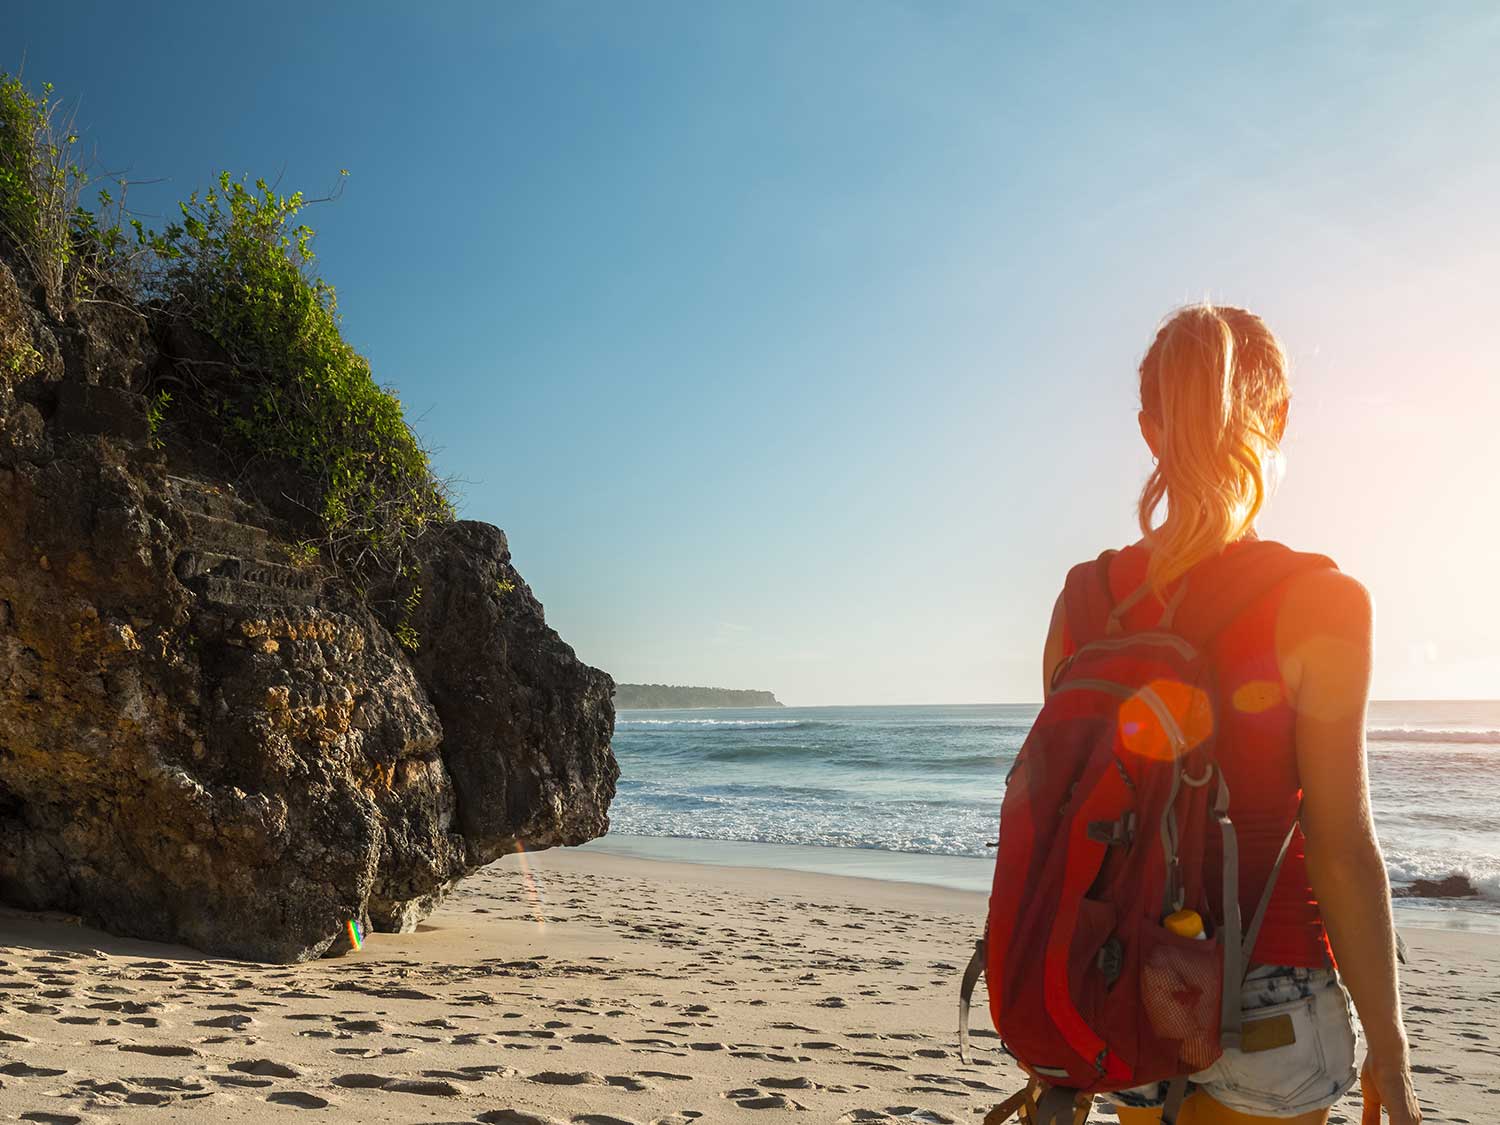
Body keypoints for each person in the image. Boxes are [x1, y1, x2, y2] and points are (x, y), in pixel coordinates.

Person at [1038, 305, 1421, 1125]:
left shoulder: (1083, 601)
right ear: (1278, 415)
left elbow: (1073, 817)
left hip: (1127, 978)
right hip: (1274, 993)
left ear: (1149, 429)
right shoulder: (1323, 603)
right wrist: (1388, 1040)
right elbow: (1343, 847)